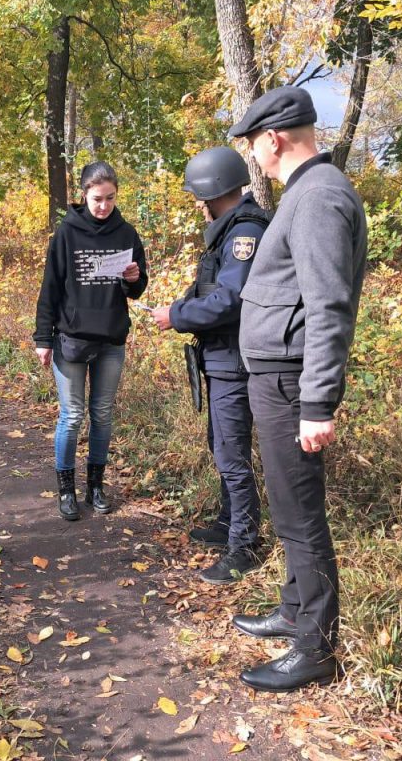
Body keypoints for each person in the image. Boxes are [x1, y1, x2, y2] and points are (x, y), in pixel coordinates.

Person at [229, 86, 367, 692]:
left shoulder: (317, 198)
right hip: (277, 378)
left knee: (301, 513)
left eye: (253, 147)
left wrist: (317, 403)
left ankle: (315, 647)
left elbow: (329, 306)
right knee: (286, 502)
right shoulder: (305, 193)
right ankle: (294, 611)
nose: (253, 159)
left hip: (292, 383)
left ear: (273, 139)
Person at [150, 147, 270, 584]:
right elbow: (209, 287)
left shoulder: (246, 233)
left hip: (236, 361)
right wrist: (180, 304)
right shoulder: (226, 231)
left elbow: (230, 300)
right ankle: (227, 524)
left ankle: (243, 546)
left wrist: (176, 317)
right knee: (220, 446)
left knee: (232, 455)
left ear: (211, 191)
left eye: (198, 195)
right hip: (221, 358)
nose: (197, 204)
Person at [33, 162, 148, 521]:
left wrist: (133, 278)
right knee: (71, 416)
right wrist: (42, 337)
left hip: (111, 339)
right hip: (70, 340)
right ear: (84, 195)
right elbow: (50, 287)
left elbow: (137, 288)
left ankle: (95, 486)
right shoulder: (66, 234)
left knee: (102, 415)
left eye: (110, 198)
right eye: (97, 199)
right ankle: (66, 489)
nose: (104, 206)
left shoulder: (126, 233)